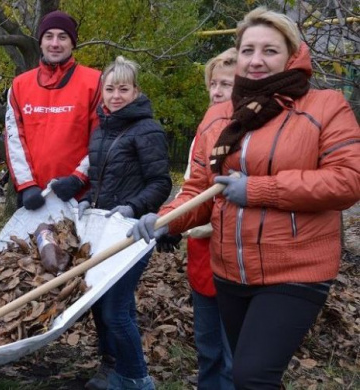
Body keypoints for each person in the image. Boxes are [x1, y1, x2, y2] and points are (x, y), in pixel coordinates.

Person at [130, 7, 360, 389]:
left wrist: (257, 189)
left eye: (269, 51)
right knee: (253, 377)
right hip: (230, 270)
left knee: (251, 376)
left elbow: (348, 181)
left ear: (292, 54)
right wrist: (165, 218)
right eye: (248, 50)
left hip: (295, 270)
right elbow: (199, 189)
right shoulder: (220, 114)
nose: (256, 60)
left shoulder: (325, 106)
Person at [78, 56, 171, 390]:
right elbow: (102, 178)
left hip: (132, 232)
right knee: (100, 303)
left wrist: (133, 207)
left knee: (116, 309)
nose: (116, 95)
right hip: (103, 229)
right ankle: (112, 368)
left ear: (136, 91)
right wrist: (90, 198)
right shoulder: (103, 128)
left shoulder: (147, 129)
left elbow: (161, 183)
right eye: (110, 88)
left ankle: (136, 377)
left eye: (123, 89)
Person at [168, 48, 237, 390]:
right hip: (201, 254)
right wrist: (171, 221)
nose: (217, 90)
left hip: (237, 258)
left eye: (227, 83)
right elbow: (193, 188)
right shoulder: (205, 128)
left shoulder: (247, 132)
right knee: (208, 348)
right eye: (213, 83)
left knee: (232, 355)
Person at [4, 10, 101, 210]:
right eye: (49, 36)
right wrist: (26, 185)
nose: (55, 43)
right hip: (34, 197)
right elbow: (14, 138)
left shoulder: (95, 82)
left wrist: (79, 178)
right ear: (40, 42)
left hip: (80, 197)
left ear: (72, 43)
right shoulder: (19, 85)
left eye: (62, 37)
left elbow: (101, 137)